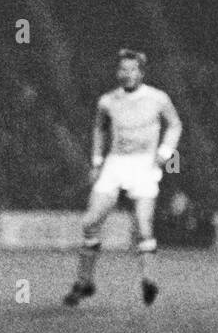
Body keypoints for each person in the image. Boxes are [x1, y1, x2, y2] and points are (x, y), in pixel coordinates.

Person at [65, 50, 181, 307]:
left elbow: (175, 124)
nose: (126, 74)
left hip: (144, 165)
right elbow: (99, 128)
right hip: (115, 164)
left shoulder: (158, 98)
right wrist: (97, 161)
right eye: (122, 69)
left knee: (143, 225)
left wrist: (163, 154)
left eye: (132, 69)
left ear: (141, 72)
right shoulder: (107, 101)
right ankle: (85, 282)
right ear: (117, 72)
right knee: (90, 221)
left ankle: (148, 280)